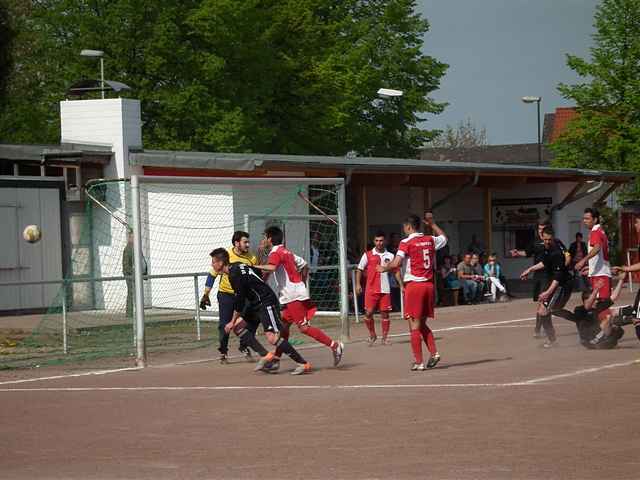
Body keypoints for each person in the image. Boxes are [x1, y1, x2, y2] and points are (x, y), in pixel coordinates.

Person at [253, 226, 344, 372]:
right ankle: (276, 360)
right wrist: (301, 282)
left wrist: (252, 266)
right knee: (283, 327)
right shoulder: (286, 251)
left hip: (293, 295)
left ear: (270, 238)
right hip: (291, 294)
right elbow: (304, 265)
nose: (263, 240)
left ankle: (335, 345)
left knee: (303, 328)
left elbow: (270, 268)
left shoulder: (276, 252)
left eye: (265, 237)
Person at [209, 248, 312, 375]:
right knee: (238, 327)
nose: (212, 265)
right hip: (255, 302)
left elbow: (239, 301)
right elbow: (258, 273)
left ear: (220, 263)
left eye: (213, 262)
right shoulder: (238, 266)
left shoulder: (234, 275)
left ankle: (303, 363)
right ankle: (267, 356)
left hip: (265, 301)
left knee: (272, 337)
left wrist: (231, 321)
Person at [378, 212, 447, 371]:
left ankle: (419, 361)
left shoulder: (406, 242)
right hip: (429, 286)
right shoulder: (430, 239)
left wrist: (384, 268)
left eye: (404, 227)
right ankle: (434, 353)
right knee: (421, 324)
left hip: (414, 286)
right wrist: (433, 224)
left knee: (413, 325)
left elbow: (396, 262)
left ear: (408, 227)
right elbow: (444, 238)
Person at [199, 231, 260, 364]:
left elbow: (254, 277)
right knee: (224, 325)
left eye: (248, 242)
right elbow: (212, 275)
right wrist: (206, 294)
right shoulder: (226, 256)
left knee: (251, 322)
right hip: (225, 295)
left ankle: (244, 345)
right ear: (236, 243)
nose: (248, 245)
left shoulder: (252, 258)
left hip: (243, 296)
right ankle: (223, 352)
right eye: (245, 242)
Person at [519, 226, 573, 348]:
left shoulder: (557, 252)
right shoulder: (546, 249)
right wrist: (529, 269)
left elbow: (558, 278)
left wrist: (548, 292)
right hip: (556, 283)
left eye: (549, 239)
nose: (547, 242)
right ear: (542, 238)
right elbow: (544, 263)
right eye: (545, 239)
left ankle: (581, 320)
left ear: (553, 237)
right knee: (544, 311)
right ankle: (553, 340)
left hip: (562, 285)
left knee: (547, 310)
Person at [356, 232, 401, 346]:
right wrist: (358, 284)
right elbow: (359, 269)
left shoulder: (390, 256)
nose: (379, 243)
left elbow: (396, 271)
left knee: (385, 314)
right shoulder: (368, 254)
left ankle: (385, 338)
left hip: (385, 289)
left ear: (385, 241)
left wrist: (401, 285)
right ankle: (372, 335)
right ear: (374, 241)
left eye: (381, 240)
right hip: (371, 289)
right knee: (368, 313)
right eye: (377, 240)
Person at [575, 208, 613, 336]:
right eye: (584, 218)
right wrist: (590, 268)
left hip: (600, 275)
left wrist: (582, 261)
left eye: (587, 219)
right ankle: (604, 336)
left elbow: (597, 248)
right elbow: (601, 255)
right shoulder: (600, 231)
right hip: (599, 273)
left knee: (602, 308)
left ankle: (606, 337)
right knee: (601, 307)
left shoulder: (595, 232)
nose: (584, 221)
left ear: (595, 219)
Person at [511, 220, 552, 338]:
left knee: (543, 302)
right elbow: (527, 252)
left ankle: (539, 329)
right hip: (538, 275)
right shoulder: (535, 241)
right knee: (541, 303)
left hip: (547, 275)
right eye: (539, 229)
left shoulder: (551, 241)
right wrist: (517, 253)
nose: (540, 232)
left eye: (542, 229)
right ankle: (541, 328)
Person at [122, 229, 147, 319]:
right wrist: (133, 273)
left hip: (138, 275)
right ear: (130, 237)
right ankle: (129, 314)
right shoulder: (128, 249)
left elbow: (142, 260)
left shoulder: (137, 248)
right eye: (133, 237)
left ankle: (139, 313)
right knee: (131, 293)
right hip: (130, 276)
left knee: (138, 293)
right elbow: (126, 266)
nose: (135, 239)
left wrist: (144, 272)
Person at [387, 232, 402, 312]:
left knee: (401, 288)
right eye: (394, 237)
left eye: (397, 237)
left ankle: (400, 306)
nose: (396, 239)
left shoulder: (402, 246)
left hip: (401, 270)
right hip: (392, 271)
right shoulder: (388, 248)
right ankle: (394, 306)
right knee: (393, 289)